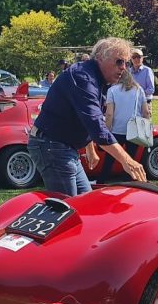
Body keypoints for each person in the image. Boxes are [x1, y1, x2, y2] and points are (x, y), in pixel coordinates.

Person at [28, 37, 147, 196]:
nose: (124, 68)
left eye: (126, 63)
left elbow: (85, 116)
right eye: (119, 62)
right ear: (100, 58)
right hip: (52, 146)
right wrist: (128, 161)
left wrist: (90, 149)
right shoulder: (83, 78)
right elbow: (96, 125)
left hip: (62, 146)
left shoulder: (96, 78)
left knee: (86, 201)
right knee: (68, 209)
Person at [100, 68, 151, 181]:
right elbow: (146, 112)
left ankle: (102, 181)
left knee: (110, 158)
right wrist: (146, 128)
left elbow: (109, 114)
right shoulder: (139, 90)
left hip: (116, 130)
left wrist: (107, 130)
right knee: (130, 159)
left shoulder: (112, 90)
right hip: (133, 130)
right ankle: (126, 182)